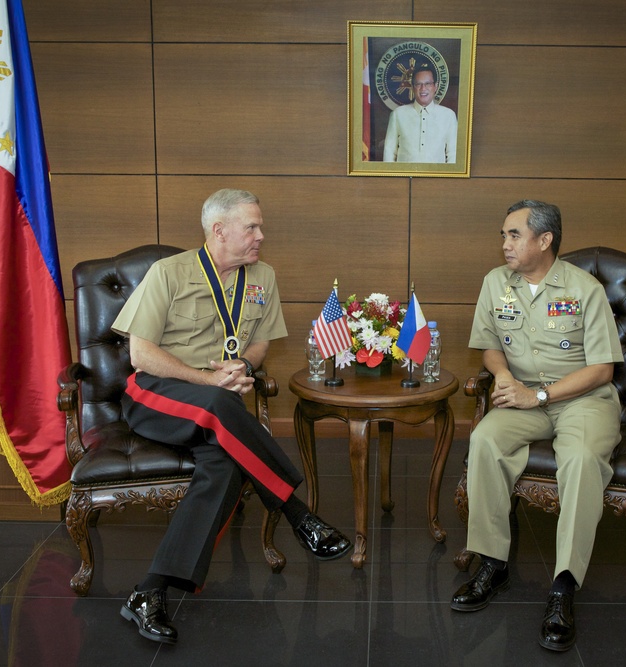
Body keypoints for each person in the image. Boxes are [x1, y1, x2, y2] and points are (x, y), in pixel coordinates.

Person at [112, 188, 351, 645]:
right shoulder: (170, 273)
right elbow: (141, 355)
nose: (261, 235)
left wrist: (243, 366)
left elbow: (261, 343)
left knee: (222, 464)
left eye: (260, 227)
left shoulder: (263, 276)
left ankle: (149, 591)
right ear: (219, 231)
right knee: (224, 405)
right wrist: (209, 383)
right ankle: (298, 513)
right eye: (252, 227)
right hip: (156, 393)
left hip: (217, 402)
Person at [451, 200, 623, 652]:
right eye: (504, 235)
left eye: (513, 235)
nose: (504, 244)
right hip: (522, 395)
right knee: (485, 439)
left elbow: (603, 368)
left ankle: (564, 586)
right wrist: (505, 378)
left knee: (582, 459)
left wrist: (541, 396)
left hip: (582, 399)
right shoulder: (496, 282)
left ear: (544, 241)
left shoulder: (585, 289)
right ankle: (493, 562)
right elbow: (489, 347)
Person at [382, 63, 458, 164]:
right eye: (418, 84)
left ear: (435, 86)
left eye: (428, 84)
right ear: (413, 87)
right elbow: (389, 152)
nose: (423, 88)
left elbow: (453, 154)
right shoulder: (398, 114)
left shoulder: (448, 115)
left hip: (437, 178)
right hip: (404, 178)